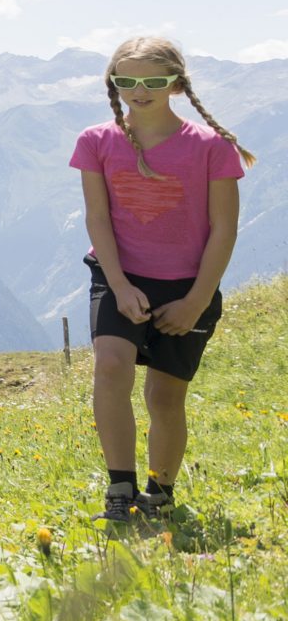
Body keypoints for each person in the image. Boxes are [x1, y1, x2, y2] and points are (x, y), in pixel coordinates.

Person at [71, 36, 253, 524]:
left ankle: (160, 491)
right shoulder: (95, 140)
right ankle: (120, 488)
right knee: (111, 366)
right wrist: (121, 284)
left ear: (175, 82)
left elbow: (224, 229)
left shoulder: (212, 147)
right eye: (126, 80)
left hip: (187, 284)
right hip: (117, 274)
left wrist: (196, 301)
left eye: (152, 81)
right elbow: (98, 220)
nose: (139, 90)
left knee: (164, 397)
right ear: (114, 83)